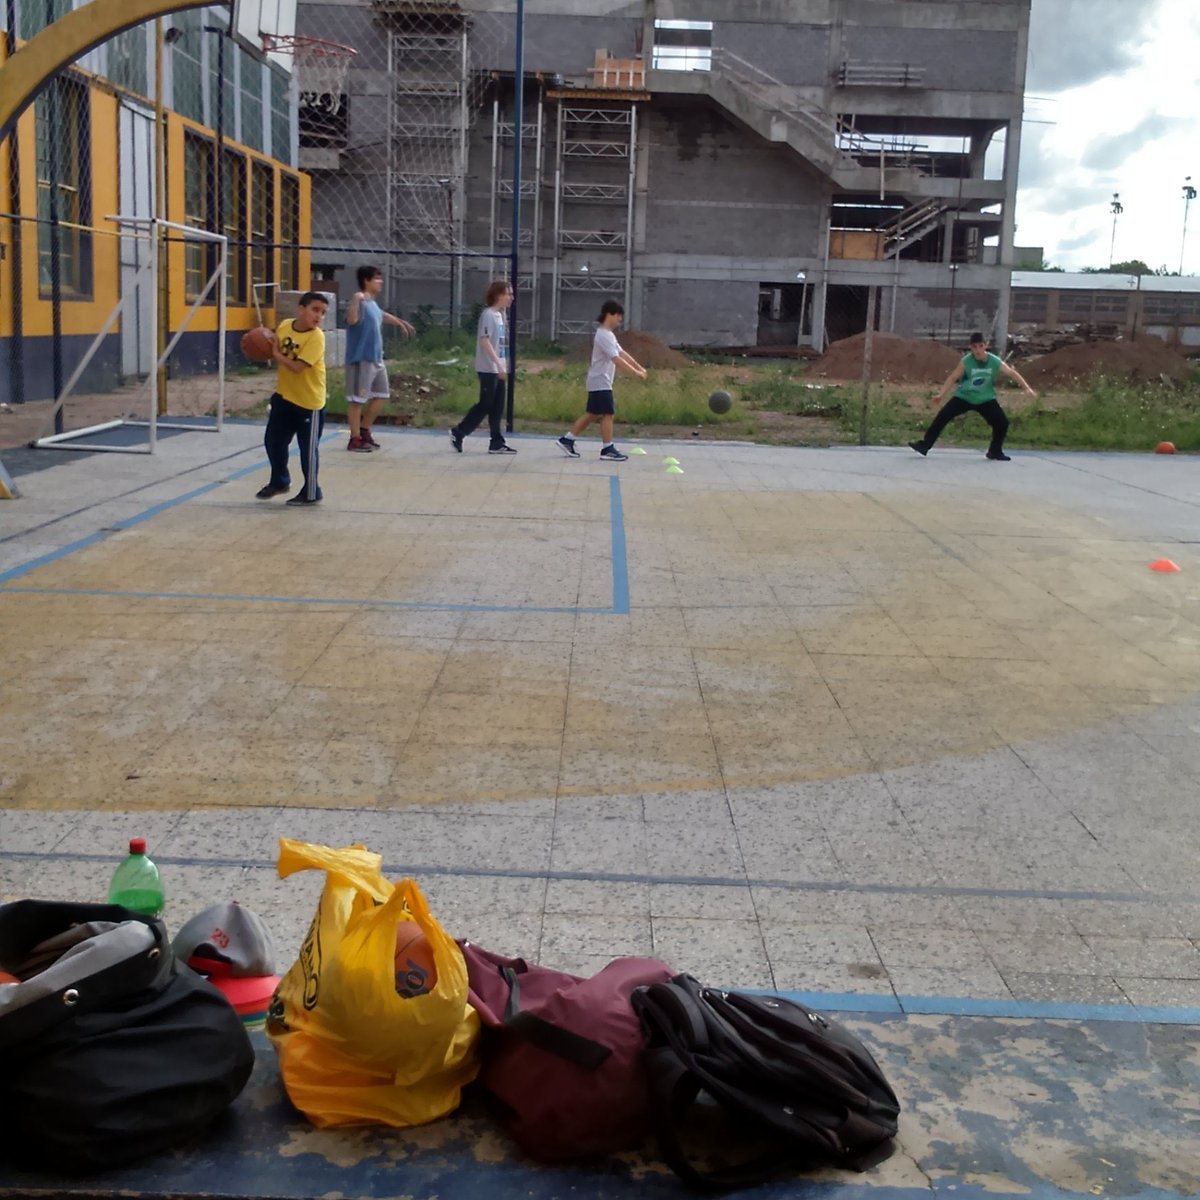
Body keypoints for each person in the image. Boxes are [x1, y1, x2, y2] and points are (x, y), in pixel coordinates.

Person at [910, 332, 1036, 461]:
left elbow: (1011, 373)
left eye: (980, 346)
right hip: (964, 397)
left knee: (1002, 423)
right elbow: (953, 377)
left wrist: (1027, 388)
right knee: (942, 417)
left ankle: (995, 451)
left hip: (985, 399)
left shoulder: (994, 361)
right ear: (971, 348)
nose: (977, 350)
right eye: (974, 347)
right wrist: (941, 394)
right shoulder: (966, 361)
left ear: (986, 346)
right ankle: (924, 445)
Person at [255, 292, 329, 505]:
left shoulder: (316, 337)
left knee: (307, 450)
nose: (319, 316)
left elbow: (297, 367)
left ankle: (312, 491)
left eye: (323, 313)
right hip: (285, 396)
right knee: (273, 441)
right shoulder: (286, 325)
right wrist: (264, 340)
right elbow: (273, 343)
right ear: (301, 309)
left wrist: (275, 354)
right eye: (315, 310)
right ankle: (279, 481)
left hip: (309, 403)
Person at [558, 299, 646, 462]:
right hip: (600, 381)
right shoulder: (603, 335)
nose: (620, 319)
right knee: (608, 413)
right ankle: (607, 448)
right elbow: (616, 359)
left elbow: (622, 353)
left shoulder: (609, 335)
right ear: (609, 314)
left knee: (593, 413)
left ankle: (568, 439)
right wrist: (636, 373)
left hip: (601, 380)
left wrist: (639, 366)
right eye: (618, 315)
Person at [344, 266, 416, 452]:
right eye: (377, 278)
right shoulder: (359, 300)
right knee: (357, 401)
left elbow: (381, 315)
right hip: (361, 359)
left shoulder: (372, 303)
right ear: (367, 281)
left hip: (377, 359)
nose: (380, 282)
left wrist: (400, 322)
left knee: (382, 396)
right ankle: (354, 439)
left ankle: (364, 430)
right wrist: (354, 299)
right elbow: (351, 321)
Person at [449, 279, 516, 454]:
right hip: (488, 368)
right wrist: (497, 363)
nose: (511, 298)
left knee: (497, 406)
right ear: (499, 295)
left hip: (498, 367)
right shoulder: (488, 314)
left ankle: (496, 442)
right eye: (509, 294)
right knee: (485, 404)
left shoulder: (501, 315)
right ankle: (459, 431)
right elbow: (485, 341)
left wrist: (504, 366)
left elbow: (501, 344)